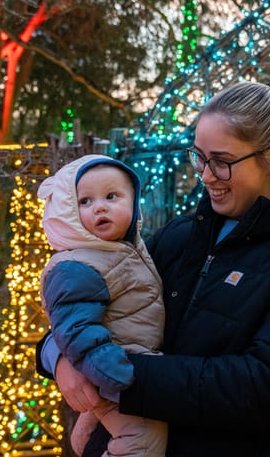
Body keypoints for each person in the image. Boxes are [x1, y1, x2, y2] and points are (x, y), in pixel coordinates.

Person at [38, 77, 270, 456]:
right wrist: (59, 356)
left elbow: (267, 388)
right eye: (199, 156)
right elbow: (88, 307)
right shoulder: (180, 236)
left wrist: (113, 378)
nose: (206, 175)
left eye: (222, 162)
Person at [38, 154, 167, 456]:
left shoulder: (127, 249)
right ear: (68, 211)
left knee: (102, 434)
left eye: (112, 196)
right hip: (116, 372)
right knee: (144, 441)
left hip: (120, 371)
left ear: (133, 203)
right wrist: (111, 371)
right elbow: (75, 326)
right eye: (85, 201)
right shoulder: (78, 264)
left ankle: (84, 440)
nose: (100, 207)